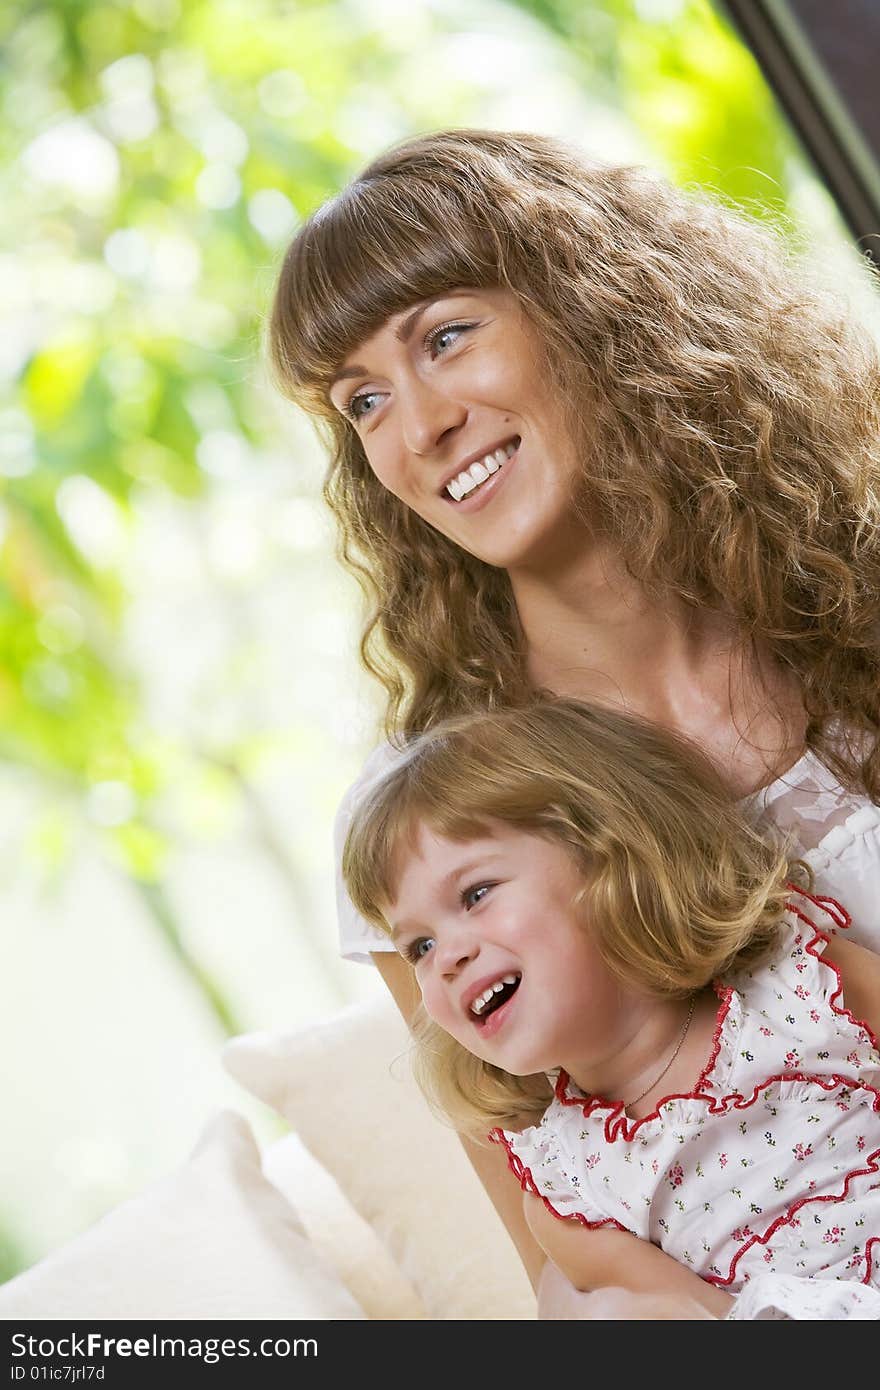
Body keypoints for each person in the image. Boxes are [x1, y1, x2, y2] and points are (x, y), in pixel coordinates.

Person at [267, 127, 880, 1308]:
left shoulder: (854, 585)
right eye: (363, 401)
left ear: (591, 311)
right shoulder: (443, 831)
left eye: (445, 337)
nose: (419, 426)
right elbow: (572, 1267)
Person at [340, 697, 880, 1320]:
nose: (446, 959)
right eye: (419, 946)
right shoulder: (570, 1189)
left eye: (476, 893)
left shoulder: (798, 982)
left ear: (608, 858)